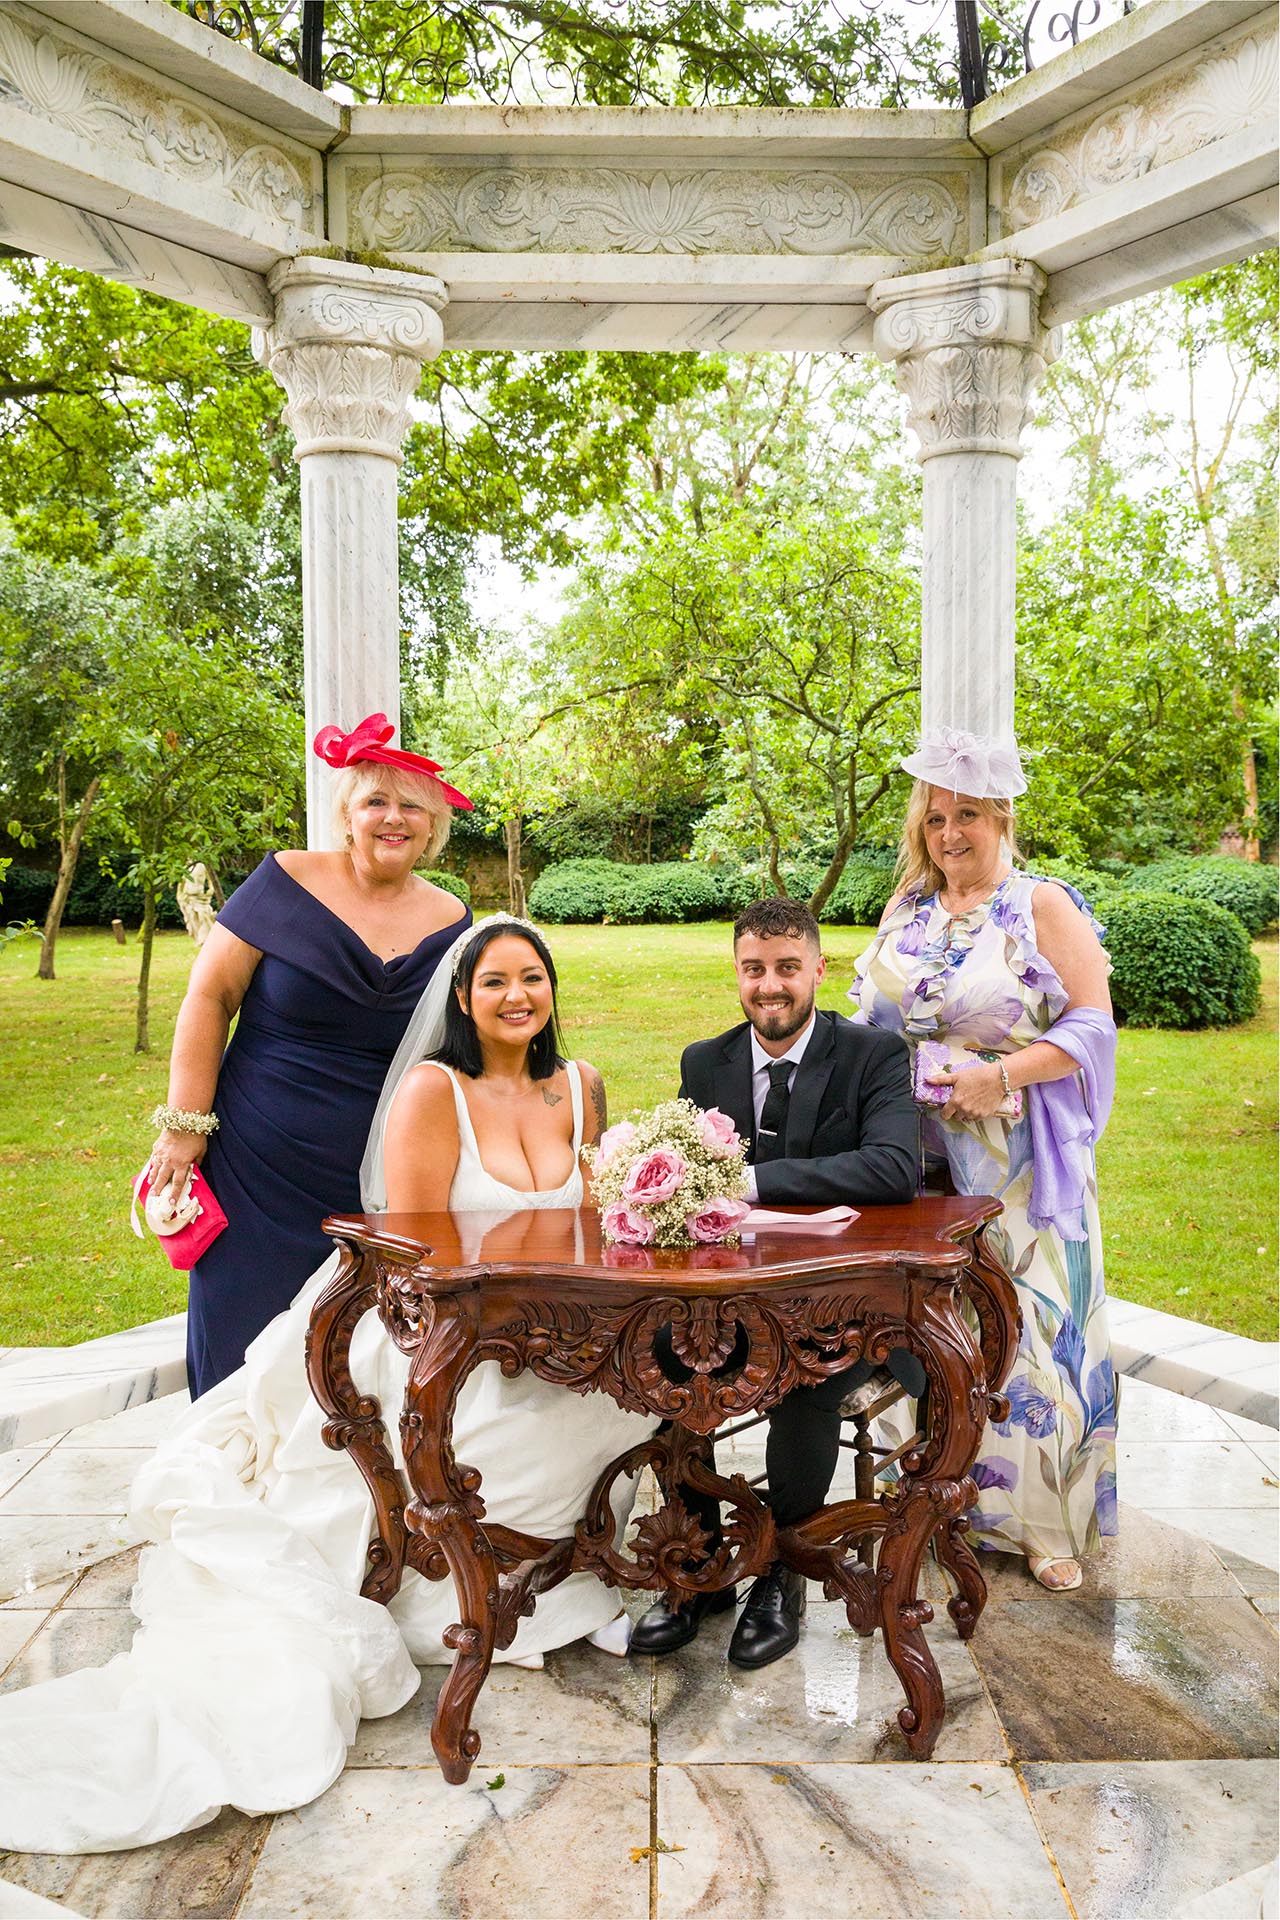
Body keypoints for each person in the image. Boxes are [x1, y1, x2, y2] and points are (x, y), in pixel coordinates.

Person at [0, 916, 655, 1856]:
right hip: (440, 1327)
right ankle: (460, 1590)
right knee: (498, 1432)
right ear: (463, 1001)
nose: (517, 996)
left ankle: (570, 1572)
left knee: (619, 1401)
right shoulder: (435, 1090)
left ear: (552, 992)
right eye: (495, 981)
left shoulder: (580, 1088)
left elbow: (593, 1230)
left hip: (557, 1328)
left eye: (533, 979)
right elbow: (416, 1251)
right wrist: (504, 1333)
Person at [851, 726, 1118, 1592]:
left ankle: (1043, 1523)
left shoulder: (1040, 907)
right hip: (914, 1160)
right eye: (935, 818)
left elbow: (1090, 1027)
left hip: (1014, 1161)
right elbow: (869, 1025)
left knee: (1028, 1330)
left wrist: (995, 1074)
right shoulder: (908, 910)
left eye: (968, 815)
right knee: (931, 1327)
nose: (950, 833)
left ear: (1001, 819)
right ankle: (932, 1499)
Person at [629, 896, 921, 1671]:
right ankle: (696, 1566)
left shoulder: (874, 1057)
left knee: (804, 1382)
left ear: (817, 971)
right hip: (733, 1301)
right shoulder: (705, 1061)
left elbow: (895, 1169)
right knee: (662, 1360)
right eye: (754, 969)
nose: (771, 986)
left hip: (848, 1306)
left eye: (787, 969)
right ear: (737, 973)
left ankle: (783, 1572)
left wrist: (751, 1181)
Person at [149, 712, 472, 1396]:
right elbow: (209, 999)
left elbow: (461, 1045)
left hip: (378, 1178)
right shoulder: (283, 881)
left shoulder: (452, 918)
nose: (393, 818)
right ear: (346, 815)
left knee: (353, 1364)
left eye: (411, 806)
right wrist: (184, 1130)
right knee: (242, 1344)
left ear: (434, 826)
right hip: (255, 1166)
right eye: (374, 801)